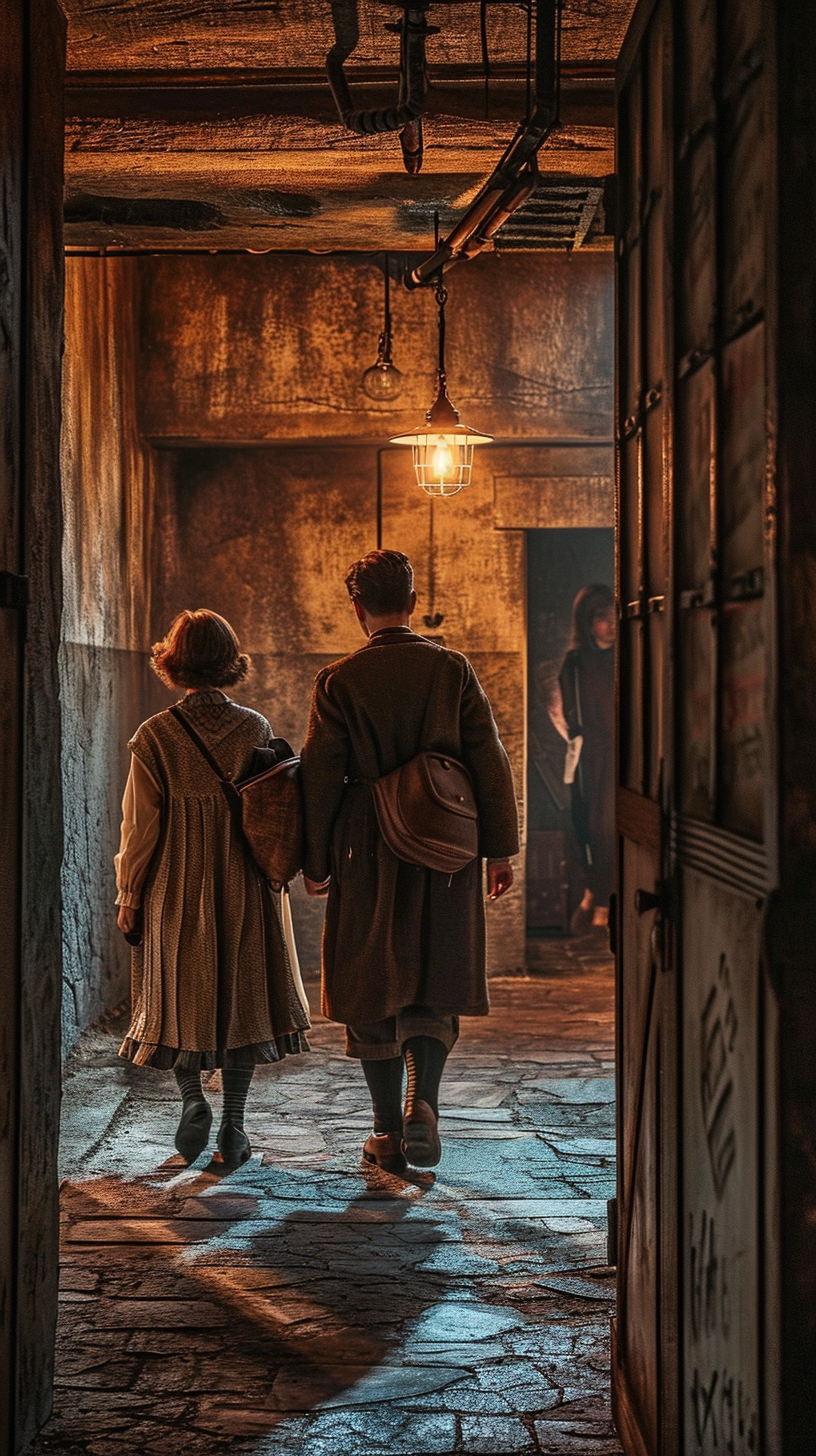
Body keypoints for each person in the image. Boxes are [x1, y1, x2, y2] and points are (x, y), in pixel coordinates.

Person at [299, 550, 519, 1175]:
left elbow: (319, 775)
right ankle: (425, 1101)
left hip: (365, 845)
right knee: (434, 965)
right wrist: (498, 848)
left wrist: (315, 860)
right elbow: (489, 758)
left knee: (373, 977)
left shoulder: (338, 680)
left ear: (357, 607)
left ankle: (386, 1131)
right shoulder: (452, 670)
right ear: (414, 601)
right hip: (445, 845)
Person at [114, 609, 310, 1168]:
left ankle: (193, 1098)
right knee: (243, 1000)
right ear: (230, 662)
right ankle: (234, 1128)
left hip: (175, 885)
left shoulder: (154, 736)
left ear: (173, 663)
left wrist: (129, 895)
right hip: (245, 881)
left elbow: (140, 827)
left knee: (180, 996)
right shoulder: (254, 727)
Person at [558, 583, 616, 933]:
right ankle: (595, 892)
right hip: (592, 755)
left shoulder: (629, 652)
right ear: (587, 622)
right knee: (590, 824)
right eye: (601, 618)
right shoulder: (576, 663)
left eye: (613, 616)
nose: (610, 624)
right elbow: (573, 715)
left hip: (621, 750)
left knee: (613, 825)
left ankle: (605, 898)